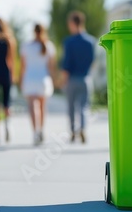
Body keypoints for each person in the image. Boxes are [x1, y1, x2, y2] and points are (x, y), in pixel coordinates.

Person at [61, 11, 95, 143]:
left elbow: (67, 63)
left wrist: (63, 80)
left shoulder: (69, 42)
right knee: (83, 106)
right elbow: (92, 60)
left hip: (72, 79)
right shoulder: (91, 41)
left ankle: (73, 131)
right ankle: (83, 128)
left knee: (71, 107)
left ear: (72, 23)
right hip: (86, 78)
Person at [19, 24, 56, 145]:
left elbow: (23, 66)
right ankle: (41, 130)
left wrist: (20, 80)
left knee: (32, 106)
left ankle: (35, 131)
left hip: (30, 79)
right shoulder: (49, 46)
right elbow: (51, 67)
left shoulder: (27, 46)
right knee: (42, 107)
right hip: (43, 79)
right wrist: (54, 80)